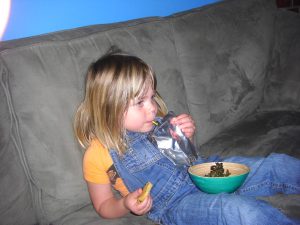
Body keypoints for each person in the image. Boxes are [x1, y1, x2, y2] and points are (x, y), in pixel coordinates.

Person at [74, 48, 300, 225]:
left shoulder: (154, 122)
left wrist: (188, 136)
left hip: (203, 170)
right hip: (176, 204)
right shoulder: (98, 154)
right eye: (140, 102)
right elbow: (104, 206)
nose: (153, 108)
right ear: (109, 107)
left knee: (275, 165)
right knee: (240, 211)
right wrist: (125, 203)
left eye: (152, 97)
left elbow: (188, 156)